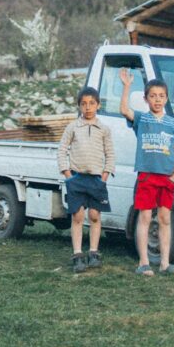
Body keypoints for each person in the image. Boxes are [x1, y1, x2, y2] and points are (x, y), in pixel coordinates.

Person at [118, 68, 174, 276]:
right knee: (145, 216)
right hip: (147, 176)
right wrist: (127, 86)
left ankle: (165, 263)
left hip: (167, 179)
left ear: (166, 98)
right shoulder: (142, 120)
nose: (157, 100)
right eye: (153, 96)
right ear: (146, 99)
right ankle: (144, 262)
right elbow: (124, 110)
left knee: (165, 218)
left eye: (161, 96)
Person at [57, 86, 115, 273]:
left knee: (94, 216)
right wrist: (67, 175)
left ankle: (93, 252)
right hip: (76, 178)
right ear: (79, 106)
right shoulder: (73, 127)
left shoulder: (103, 129)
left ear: (98, 105)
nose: (88, 107)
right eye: (84, 104)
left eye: (92, 103)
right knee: (78, 216)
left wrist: (105, 176)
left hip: (96, 180)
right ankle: (77, 254)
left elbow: (110, 154)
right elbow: (62, 149)